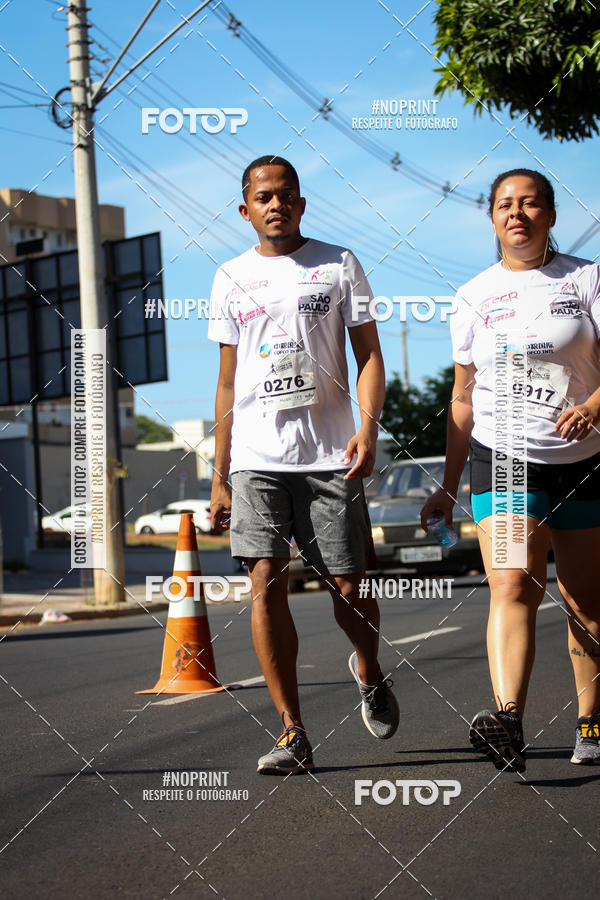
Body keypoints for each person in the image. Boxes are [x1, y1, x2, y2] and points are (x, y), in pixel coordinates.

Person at [208, 155, 399, 774]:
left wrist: (367, 430)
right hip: (256, 458)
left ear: (302, 203)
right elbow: (227, 381)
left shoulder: (338, 263)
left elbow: (369, 357)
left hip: (329, 453)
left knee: (349, 588)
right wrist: (219, 474)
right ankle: (292, 731)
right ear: (246, 210)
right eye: (264, 197)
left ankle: (368, 670)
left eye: (286, 194)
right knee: (265, 582)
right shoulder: (230, 276)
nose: (277, 204)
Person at [421, 168, 600, 771]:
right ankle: (508, 722)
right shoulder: (473, 295)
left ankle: (591, 721)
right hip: (503, 459)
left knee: (585, 600)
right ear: (492, 218)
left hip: (583, 459)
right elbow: (462, 397)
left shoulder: (586, 278)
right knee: (511, 584)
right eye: (505, 205)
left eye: (529, 203)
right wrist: (447, 486)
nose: (516, 213)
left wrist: (593, 406)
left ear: (550, 214)